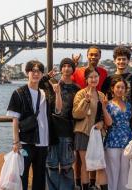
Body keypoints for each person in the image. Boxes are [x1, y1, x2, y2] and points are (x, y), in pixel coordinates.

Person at [6, 60, 52, 190]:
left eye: (39, 71)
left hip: (43, 142)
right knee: (23, 175)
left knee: (40, 176)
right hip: (26, 142)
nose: (36, 74)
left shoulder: (44, 94)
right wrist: (16, 142)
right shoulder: (18, 93)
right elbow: (15, 119)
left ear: (42, 74)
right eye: (33, 71)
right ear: (27, 73)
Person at [72, 67, 112, 190]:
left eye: (96, 77)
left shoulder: (101, 95)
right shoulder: (81, 94)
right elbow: (76, 114)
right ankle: (85, 187)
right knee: (86, 164)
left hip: (96, 133)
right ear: (86, 79)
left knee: (99, 164)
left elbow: (102, 115)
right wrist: (86, 101)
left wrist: (101, 123)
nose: (94, 79)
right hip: (83, 132)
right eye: (91, 77)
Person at [46, 58, 80, 190]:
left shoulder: (77, 88)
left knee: (66, 166)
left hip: (67, 130)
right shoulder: (52, 84)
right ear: (60, 69)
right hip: (52, 129)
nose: (66, 69)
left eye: (69, 66)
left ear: (73, 69)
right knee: (51, 165)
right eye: (64, 66)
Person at [104, 76, 132, 190]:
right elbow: (108, 123)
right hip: (113, 140)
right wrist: (104, 107)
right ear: (112, 89)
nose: (120, 90)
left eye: (122, 87)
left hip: (128, 141)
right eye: (118, 87)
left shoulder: (129, 105)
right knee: (112, 171)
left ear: (125, 90)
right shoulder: (108, 104)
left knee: (125, 172)